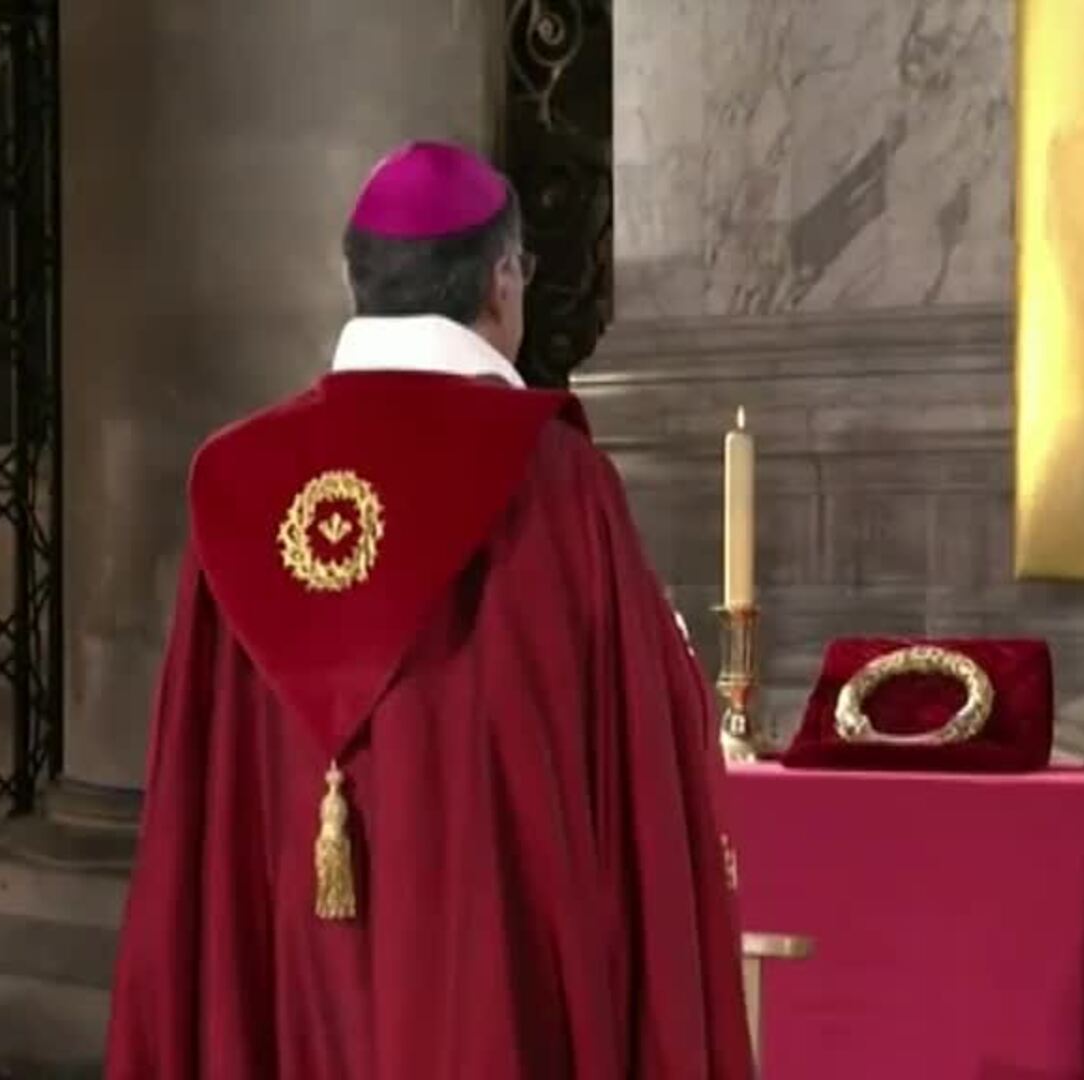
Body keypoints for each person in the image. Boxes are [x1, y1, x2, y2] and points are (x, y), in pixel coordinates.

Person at [104, 141, 754, 1079]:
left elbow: (195, 816)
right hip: (489, 990)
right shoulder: (557, 481)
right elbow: (639, 774)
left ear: (358, 281)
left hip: (288, 979)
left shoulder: (236, 481)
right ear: (501, 280)